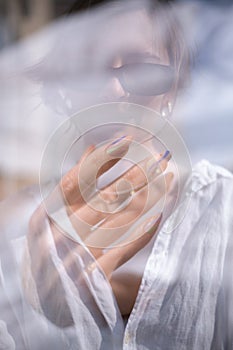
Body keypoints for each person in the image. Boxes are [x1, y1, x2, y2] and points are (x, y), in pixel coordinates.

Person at [1, 1, 233, 349]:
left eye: (141, 67)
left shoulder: (223, 209)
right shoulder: (13, 233)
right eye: (88, 67)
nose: (113, 90)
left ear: (173, 86)